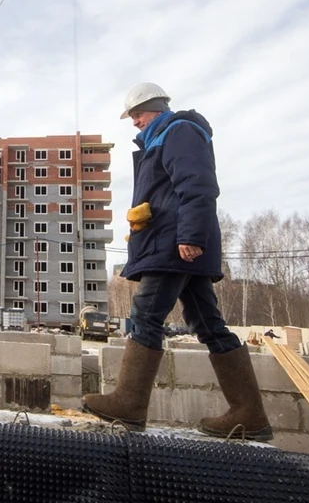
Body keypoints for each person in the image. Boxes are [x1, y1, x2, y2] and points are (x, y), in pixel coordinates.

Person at [82, 82, 272, 441]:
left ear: (154, 107)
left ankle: (130, 403)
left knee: (145, 314)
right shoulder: (161, 137)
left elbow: (197, 184)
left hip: (175, 243)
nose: (134, 121)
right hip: (172, 239)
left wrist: (190, 235)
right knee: (207, 323)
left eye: (137, 114)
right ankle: (250, 413)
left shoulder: (178, 131)